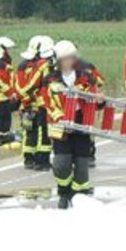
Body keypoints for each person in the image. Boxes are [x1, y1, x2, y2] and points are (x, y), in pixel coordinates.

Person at [42, 40, 98, 209]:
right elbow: (49, 102)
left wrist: (99, 100)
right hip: (61, 127)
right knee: (61, 163)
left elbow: (93, 97)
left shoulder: (86, 76)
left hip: (81, 123)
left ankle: (77, 195)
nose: (68, 61)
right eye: (64, 58)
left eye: (70, 58)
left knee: (82, 166)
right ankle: (64, 191)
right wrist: (62, 119)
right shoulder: (50, 79)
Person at [17, 35, 55, 171]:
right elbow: (30, 85)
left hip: (32, 102)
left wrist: (23, 99)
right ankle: (40, 160)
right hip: (41, 103)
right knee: (41, 132)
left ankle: (30, 159)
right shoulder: (46, 64)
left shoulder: (25, 65)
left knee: (31, 131)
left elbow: (24, 86)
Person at [16, 36, 43, 169]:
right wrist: (27, 102)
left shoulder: (41, 64)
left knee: (36, 132)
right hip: (30, 104)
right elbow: (21, 86)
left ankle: (34, 158)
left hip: (37, 104)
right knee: (31, 132)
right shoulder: (24, 66)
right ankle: (30, 158)